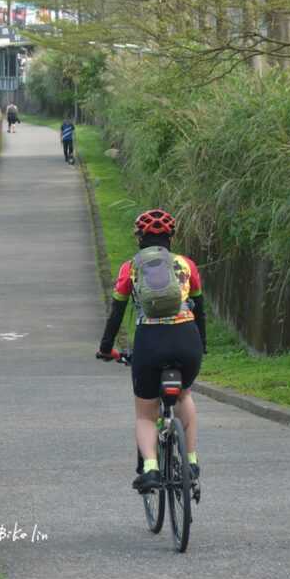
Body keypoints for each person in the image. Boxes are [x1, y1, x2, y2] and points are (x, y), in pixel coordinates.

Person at [97, 208, 206, 495]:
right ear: (171, 236)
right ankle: (191, 461)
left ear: (139, 238)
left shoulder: (130, 268)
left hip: (150, 342)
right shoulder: (187, 265)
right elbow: (201, 310)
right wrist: (201, 345)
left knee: (146, 413)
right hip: (187, 339)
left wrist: (106, 348)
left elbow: (116, 313)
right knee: (183, 394)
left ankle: (150, 469)